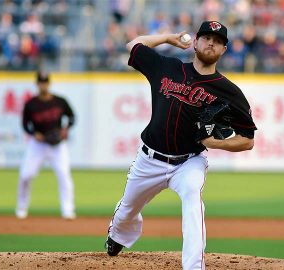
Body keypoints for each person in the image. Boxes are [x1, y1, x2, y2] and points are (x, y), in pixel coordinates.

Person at [105, 21, 257, 270]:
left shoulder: (229, 92)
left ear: (224, 50)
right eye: (207, 37)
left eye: (218, 41)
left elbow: (247, 140)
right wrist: (167, 38)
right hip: (149, 159)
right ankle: (118, 236)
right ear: (195, 41)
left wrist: (215, 143)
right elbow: (133, 45)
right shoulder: (167, 67)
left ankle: (194, 267)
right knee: (127, 211)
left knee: (192, 200)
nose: (211, 43)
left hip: (189, 161)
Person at [15, 71, 76, 220]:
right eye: (41, 82)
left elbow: (72, 117)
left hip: (57, 145)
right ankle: (21, 208)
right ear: (37, 84)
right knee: (25, 175)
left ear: (49, 83)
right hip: (38, 145)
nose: (44, 85)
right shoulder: (31, 104)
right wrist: (34, 133)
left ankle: (67, 210)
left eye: (46, 82)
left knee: (64, 176)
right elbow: (24, 124)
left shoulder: (60, 101)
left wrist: (65, 129)